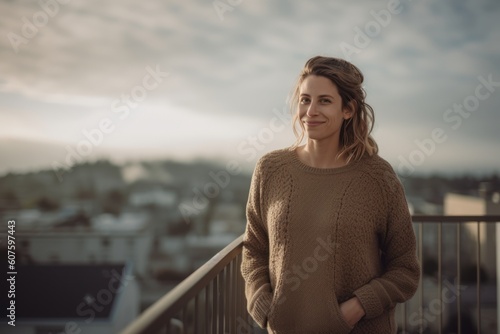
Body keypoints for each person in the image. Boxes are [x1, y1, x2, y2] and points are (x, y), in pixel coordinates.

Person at [241, 56, 420, 333]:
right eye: (304, 100)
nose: (310, 111)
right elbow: (254, 248)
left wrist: (357, 307)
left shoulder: (378, 177)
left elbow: (405, 269)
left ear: (348, 109)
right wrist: (261, 304)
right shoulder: (270, 168)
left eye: (324, 101)